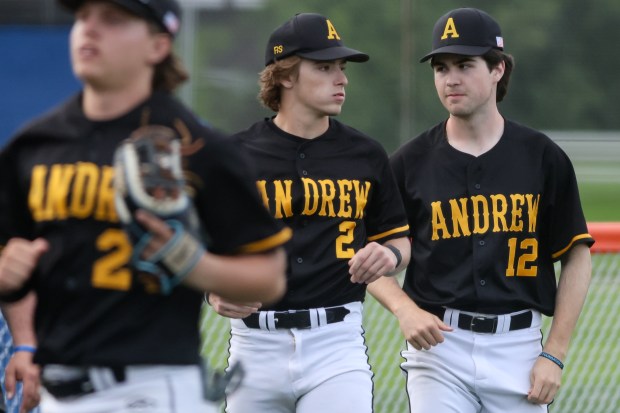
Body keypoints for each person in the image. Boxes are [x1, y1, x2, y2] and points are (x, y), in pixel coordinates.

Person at [0, 0, 292, 412]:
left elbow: (269, 276)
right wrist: (7, 277)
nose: (90, 29)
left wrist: (191, 262)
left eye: (113, 19)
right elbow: (13, 259)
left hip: (153, 389)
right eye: (83, 17)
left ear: (157, 46)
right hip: (56, 393)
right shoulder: (33, 147)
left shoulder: (196, 147)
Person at [368, 7, 594, 413]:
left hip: (520, 349)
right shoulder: (408, 162)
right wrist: (403, 308)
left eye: (464, 64)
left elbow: (577, 256)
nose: (450, 78)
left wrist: (554, 353)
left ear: (498, 70)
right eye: (440, 67)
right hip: (439, 350)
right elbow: (368, 254)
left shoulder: (542, 157)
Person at [207, 13, 411, 413]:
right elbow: (203, 246)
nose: (341, 79)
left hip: (336, 344)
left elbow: (399, 240)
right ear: (284, 75)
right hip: (255, 346)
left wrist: (390, 255)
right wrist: (212, 291)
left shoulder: (365, 154)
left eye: (342, 67)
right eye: (324, 67)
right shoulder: (235, 156)